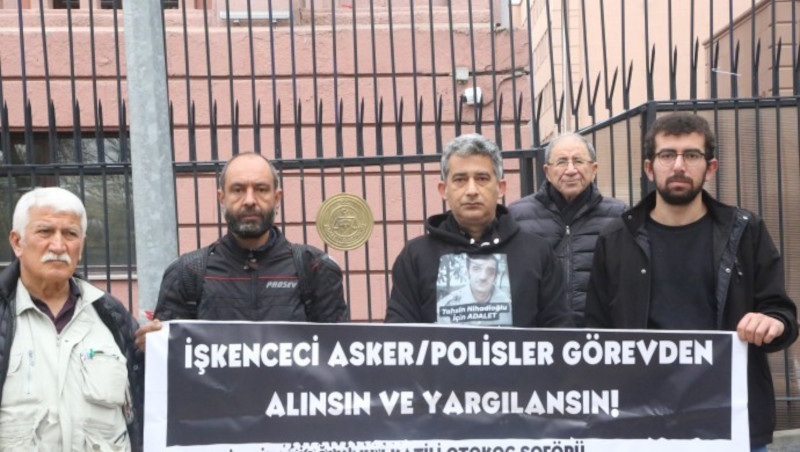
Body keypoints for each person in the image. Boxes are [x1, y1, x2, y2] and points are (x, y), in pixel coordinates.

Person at [584, 112, 798, 451]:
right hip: (642, 421)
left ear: (710, 167)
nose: (679, 166)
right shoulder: (615, 238)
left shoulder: (745, 231)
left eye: (692, 155)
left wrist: (771, 323)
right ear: (649, 168)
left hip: (731, 420)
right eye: (667, 155)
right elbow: (595, 332)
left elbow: (782, 315)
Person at [135, 152, 348, 351]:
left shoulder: (315, 269)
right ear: (222, 198)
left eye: (261, 189)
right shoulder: (187, 273)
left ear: (277, 198)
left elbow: (340, 356)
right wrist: (149, 348)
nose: (249, 200)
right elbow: (166, 365)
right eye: (237, 190)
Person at [0, 187, 143, 450]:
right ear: (17, 242)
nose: (58, 246)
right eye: (45, 232)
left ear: (82, 245)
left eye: (70, 234)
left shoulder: (111, 317)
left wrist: (157, 350)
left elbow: (146, 405)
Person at [385, 133, 573, 328]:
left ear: (500, 187)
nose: (472, 190)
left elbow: (559, 330)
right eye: (460, 179)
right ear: (443, 189)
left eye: (482, 178)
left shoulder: (537, 253)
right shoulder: (416, 256)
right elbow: (398, 334)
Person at [508, 132, 626, 326]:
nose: (571, 170)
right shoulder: (517, 216)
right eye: (561, 162)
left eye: (578, 161)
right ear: (547, 171)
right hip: (539, 334)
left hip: (598, 333)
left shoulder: (618, 215)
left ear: (594, 169)